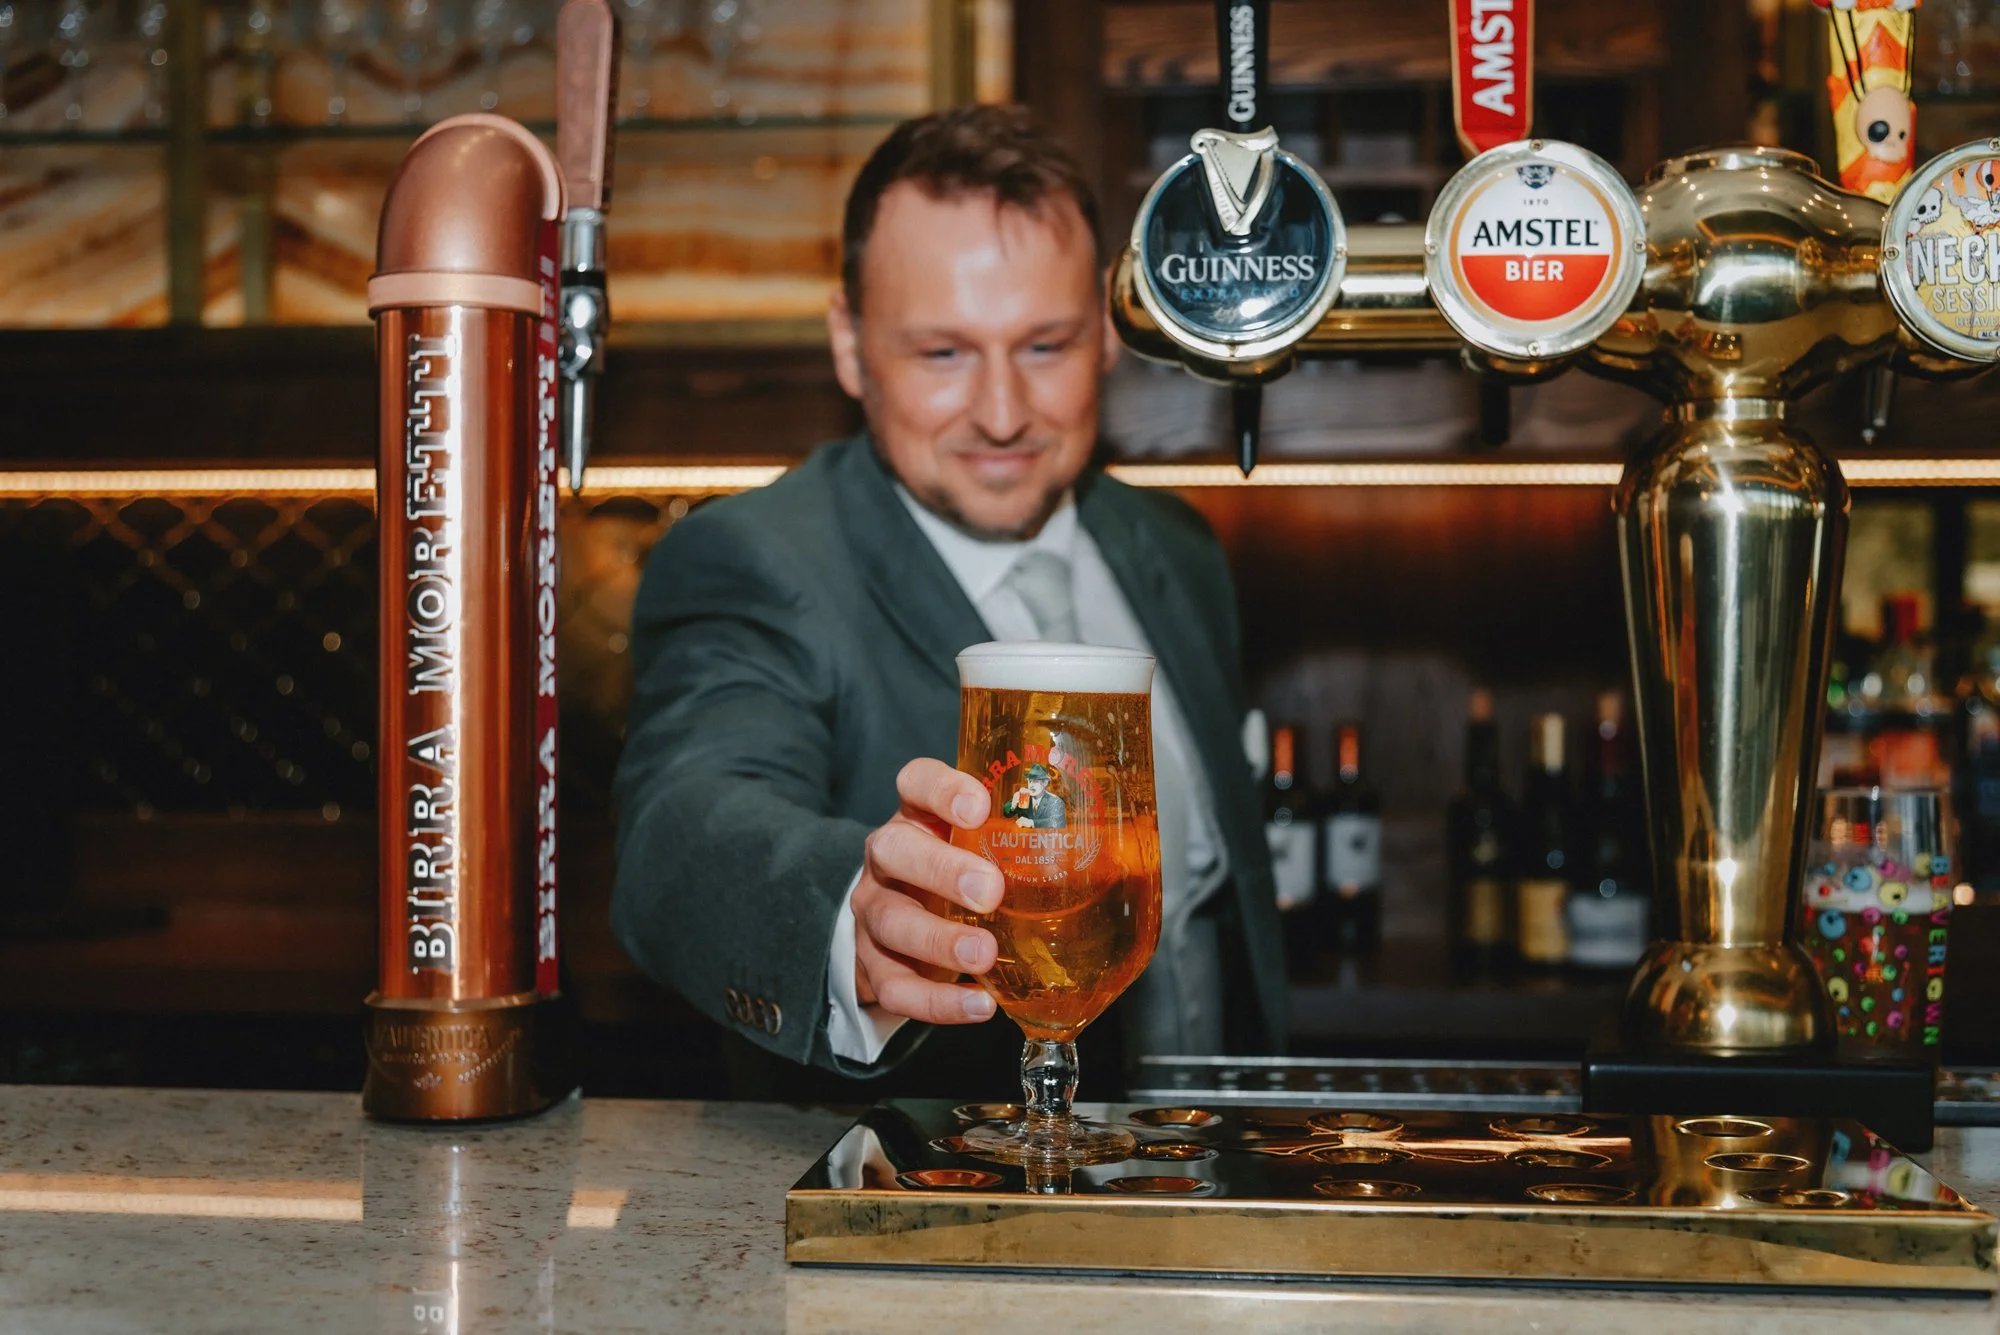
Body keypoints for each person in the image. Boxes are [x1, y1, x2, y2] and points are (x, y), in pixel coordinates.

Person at [611, 105, 1285, 1096]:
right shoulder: (753, 560)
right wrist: (854, 917)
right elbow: (680, 825)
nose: (1003, 412)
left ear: (1104, 331)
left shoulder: (1175, 548)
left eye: (1044, 346)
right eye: (942, 354)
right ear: (848, 346)